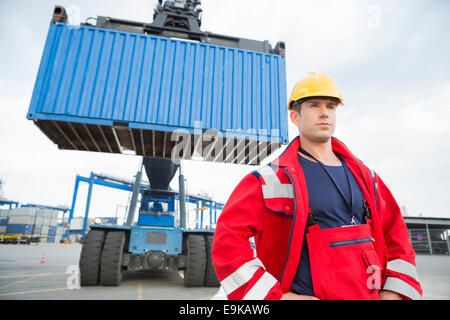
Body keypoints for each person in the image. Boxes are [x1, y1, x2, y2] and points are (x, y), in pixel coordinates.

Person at [211, 72, 422, 300]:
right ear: (294, 117)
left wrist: (394, 292)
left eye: (331, 106)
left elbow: (396, 235)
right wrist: (277, 298)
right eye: (314, 105)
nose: (324, 113)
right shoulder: (269, 179)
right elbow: (227, 241)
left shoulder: (367, 178)